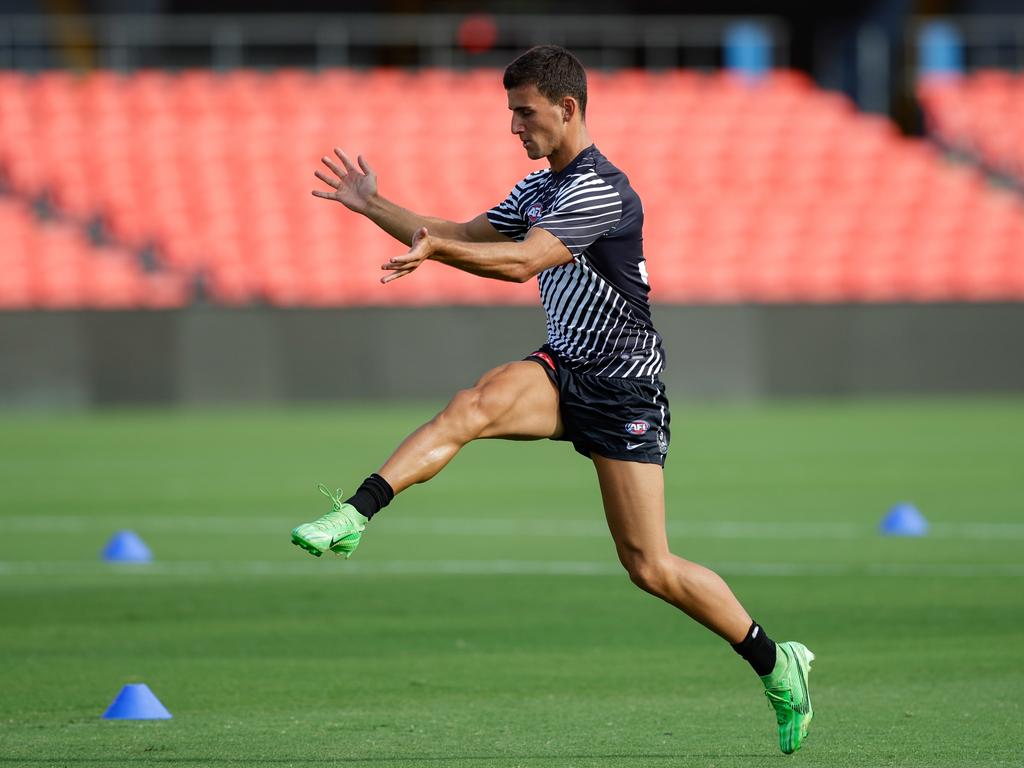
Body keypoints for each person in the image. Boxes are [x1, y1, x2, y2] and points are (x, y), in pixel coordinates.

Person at [292, 45, 814, 755]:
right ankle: (354, 514)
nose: (513, 125)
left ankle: (775, 663)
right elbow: (455, 234)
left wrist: (437, 254)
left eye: (523, 111)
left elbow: (519, 263)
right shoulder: (537, 188)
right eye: (511, 110)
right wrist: (372, 205)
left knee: (649, 567)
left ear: (567, 109)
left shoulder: (602, 189)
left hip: (624, 385)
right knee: (470, 404)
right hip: (563, 368)